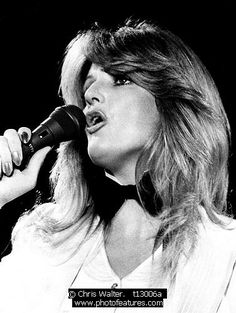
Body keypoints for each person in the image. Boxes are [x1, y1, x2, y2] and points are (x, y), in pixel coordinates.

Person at [0, 17, 235, 313]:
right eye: (87, 88)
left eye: (120, 79)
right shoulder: (41, 241)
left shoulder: (228, 255)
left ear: (170, 104)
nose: (89, 96)